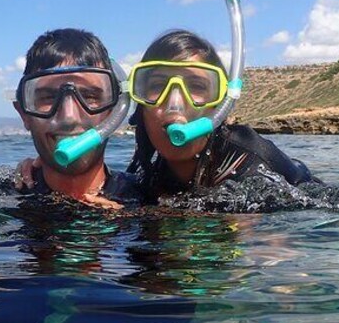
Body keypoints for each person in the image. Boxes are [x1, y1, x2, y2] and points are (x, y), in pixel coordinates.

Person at [126, 29, 317, 204]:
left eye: (196, 86)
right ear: (140, 105)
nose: (174, 104)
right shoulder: (146, 170)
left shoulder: (248, 159)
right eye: (158, 86)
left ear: (220, 105)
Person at [11, 28, 140, 208]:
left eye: (89, 96)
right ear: (24, 114)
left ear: (114, 111)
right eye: (48, 97)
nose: (69, 117)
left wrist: (126, 222)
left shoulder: (149, 197)